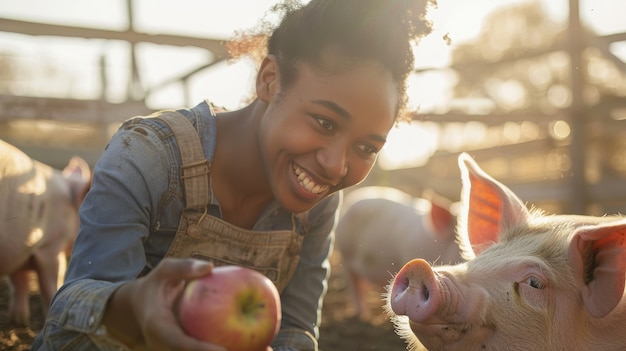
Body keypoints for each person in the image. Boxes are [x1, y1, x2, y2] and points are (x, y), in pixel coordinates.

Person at [32, 0, 437, 350]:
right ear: (269, 80)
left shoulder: (318, 202)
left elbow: (295, 331)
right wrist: (131, 309)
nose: (336, 165)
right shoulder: (148, 157)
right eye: (324, 123)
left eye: (365, 148)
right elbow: (63, 326)